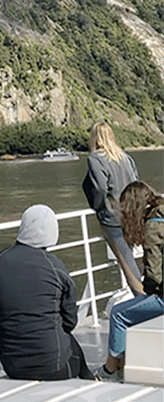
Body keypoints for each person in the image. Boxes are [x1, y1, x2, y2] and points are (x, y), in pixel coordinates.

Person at [0, 204, 93, 381]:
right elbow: (69, 322)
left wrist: (7, 322)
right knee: (71, 344)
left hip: (12, 366)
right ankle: (92, 380)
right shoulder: (56, 267)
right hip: (55, 368)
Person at [96, 180, 164, 382]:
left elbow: (155, 276)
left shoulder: (153, 227)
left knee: (118, 314)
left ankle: (111, 370)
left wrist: (146, 288)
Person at [81, 121, 142, 293]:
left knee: (126, 262)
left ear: (95, 137)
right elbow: (135, 182)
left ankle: (143, 301)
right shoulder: (125, 157)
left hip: (113, 218)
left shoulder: (95, 158)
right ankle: (144, 297)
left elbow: (100, 187)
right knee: (130, 257)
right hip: (131, 215)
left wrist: (99, 207)